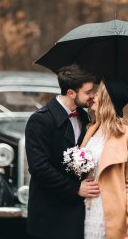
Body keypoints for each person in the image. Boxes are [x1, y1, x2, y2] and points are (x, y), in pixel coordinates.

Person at [25, 64, 100, 239]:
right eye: (88, 92)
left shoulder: (84, 117)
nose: (92, 96)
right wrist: (75, 188)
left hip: (75, 213)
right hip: (48, 213)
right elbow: (39, 168)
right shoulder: (40, 120)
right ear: (71, 93)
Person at [81, 79, 128, 239]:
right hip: (84, 208)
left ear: (107, 100)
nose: (92, 96)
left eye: (98, 93)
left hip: (108, 213)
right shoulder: (90, 129)